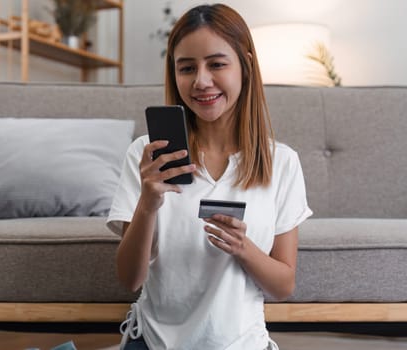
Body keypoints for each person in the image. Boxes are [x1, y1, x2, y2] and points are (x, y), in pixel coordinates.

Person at [106, 4, 312, 350]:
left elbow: (283, 286)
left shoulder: (282, 163)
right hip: (155, 342)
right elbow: (130, 279)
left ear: (245, 64)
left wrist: (244, 249)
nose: (201, 81)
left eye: (216, 64)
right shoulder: (147, 155)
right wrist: (147, 204)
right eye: (187, 68)